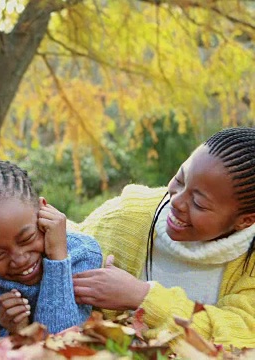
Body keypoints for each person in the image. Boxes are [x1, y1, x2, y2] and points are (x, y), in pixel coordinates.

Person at [72, 127, 255, 348]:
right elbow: (70, 248)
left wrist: (141, 297)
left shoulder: (249, 264)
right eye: (180, 179)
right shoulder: (128, 217)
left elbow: (240, 335)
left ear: (245, 221)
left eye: (198, 203)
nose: (176, 202)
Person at [0, 161, 102, 335]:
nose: (19, 260)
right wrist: (14, 332)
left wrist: (58, 260)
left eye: (27, 239)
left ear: (43, 210)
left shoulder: (83, 253)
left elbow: (63, 342)